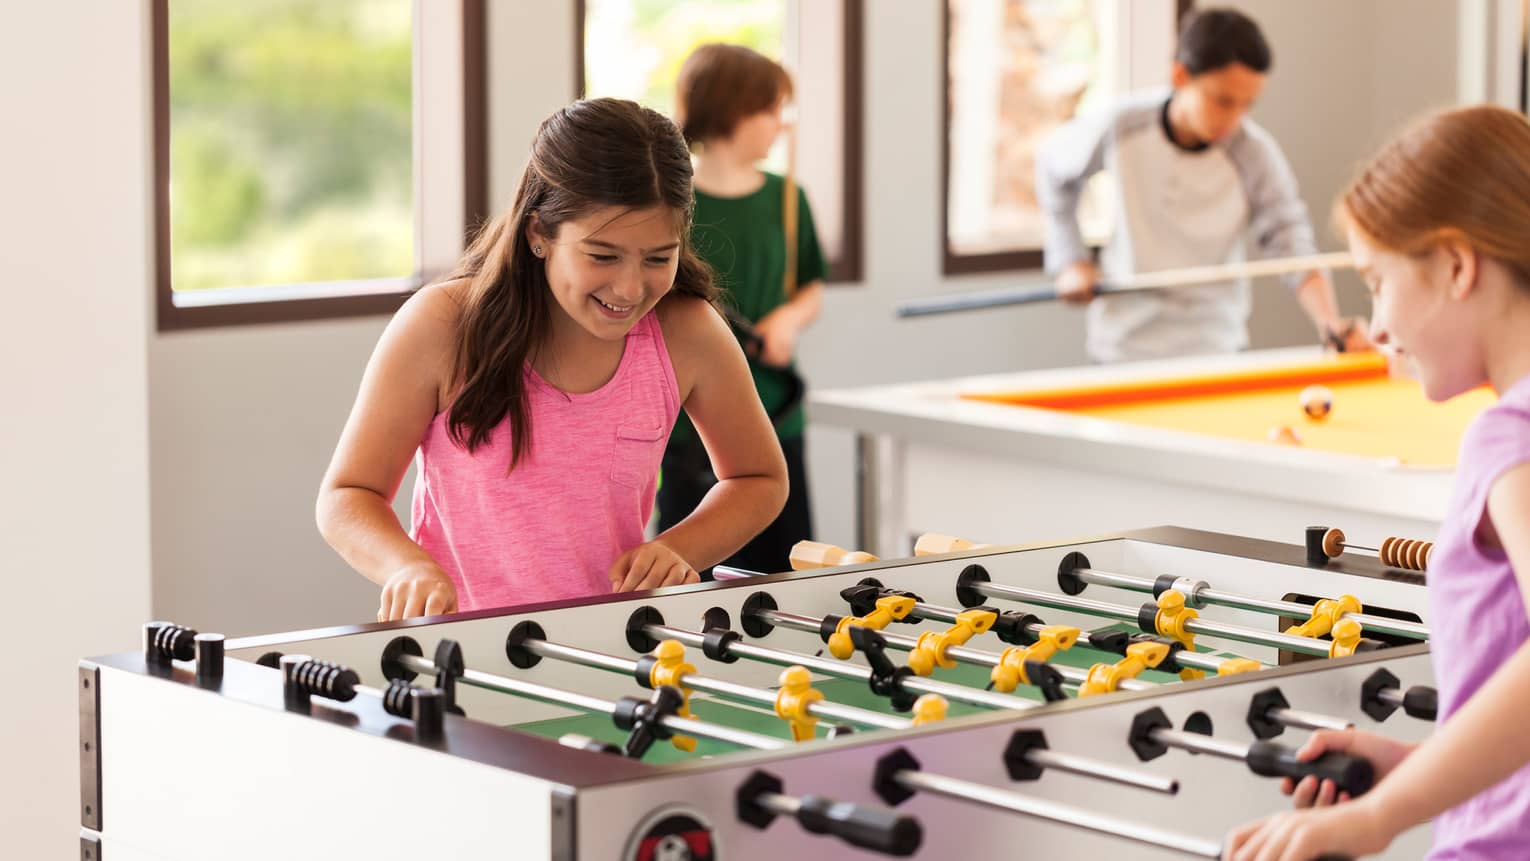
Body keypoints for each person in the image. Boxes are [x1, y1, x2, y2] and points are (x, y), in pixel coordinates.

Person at [316, 98, 788, 621]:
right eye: (602, 255)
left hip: (616, 648)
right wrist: (406, 566)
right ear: (539, 233)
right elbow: (348, 494)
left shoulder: (688, 331)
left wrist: (679, 549)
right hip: (462, 649)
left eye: (659, 257)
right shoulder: (442, 325)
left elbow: (759, 477)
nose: (630, 288)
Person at [1225, 104, 1530, 860]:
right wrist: (1420, 766)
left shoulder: (1511, 436)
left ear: (1457, 266)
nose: (1379, 326)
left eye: (1377, 280)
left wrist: (1381, 813)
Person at [1036, 7, 1371, 363]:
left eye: (1247, 104)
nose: (1234, 118)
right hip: (1123, 346)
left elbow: (1289, 240)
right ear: (1180, 76)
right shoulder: (1121, 126)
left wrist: (1330, 322)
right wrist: (1071, 259)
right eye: (1223, 100)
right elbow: (1055, 170)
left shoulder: (1252, 153)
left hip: (1213, 346)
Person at [658, 43, 828, 575]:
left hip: (776, 411)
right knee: (688, 580)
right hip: (688, 425)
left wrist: (788, 320)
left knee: (786, 573)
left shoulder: (787, 198)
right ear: (734, 109)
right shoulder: (669, 201)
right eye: (771, 110)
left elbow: (810, 286)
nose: (780, 125)